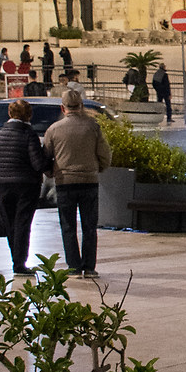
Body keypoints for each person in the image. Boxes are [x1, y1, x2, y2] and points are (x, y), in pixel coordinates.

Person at [42, 85, 108, 276]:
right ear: (81, 106)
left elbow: (45, 157)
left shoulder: (53, 130)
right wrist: (98, 168)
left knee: (68, 226)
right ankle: (89, 266)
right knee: (89, 226)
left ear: (63, 108)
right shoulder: (93, 127)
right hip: (89, 181)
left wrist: (51, 172)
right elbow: (104, 154)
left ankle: (73, 266)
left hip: (65, 182)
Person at [0, 97, 46, 276]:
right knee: (23, 224)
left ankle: (16, 258)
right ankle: (20, 263)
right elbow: (37, 163)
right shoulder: (29, 135)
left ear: (9, 114)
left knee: (11, 223)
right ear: (28, 116)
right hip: (27, 186)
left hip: (4, 185)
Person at [151, 58, 172, 123]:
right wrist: (169, 94)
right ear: (163, 67)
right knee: (168, 105)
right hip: (165, 92)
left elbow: (153, 83)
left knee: (159, 104)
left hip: (159, 92)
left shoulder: (156, 74)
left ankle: (157, 117)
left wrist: (157, 90)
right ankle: (169, 118)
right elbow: (167, 85)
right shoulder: (165, 75)